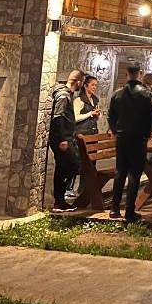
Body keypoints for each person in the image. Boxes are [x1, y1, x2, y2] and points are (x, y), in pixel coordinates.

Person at [108, 64, 152, 224]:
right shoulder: (146, 94)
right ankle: (129, 211)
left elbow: (110, 116)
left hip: (122, 138)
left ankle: (114, 209)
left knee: (120, 172)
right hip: (139, 138)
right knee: (134, 174)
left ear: (126, 74)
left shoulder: (117, 94)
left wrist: (116, 131)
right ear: (139, 74)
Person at [48, 70, 84, 212]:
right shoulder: (64, 96)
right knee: (72, 166)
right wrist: (62, 139)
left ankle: (60, 200)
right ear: (79, 82)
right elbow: (58, 118)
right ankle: (59, 200)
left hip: (67, 137)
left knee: (65, 168)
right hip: (62, 139)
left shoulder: (68, 94)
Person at [64, 74, 101, 202]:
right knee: (78, 162)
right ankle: (68, 189)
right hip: (81, 135)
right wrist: (90, 113)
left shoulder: (95, 100)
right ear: (85, 86)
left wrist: (96, 115)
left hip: (92, 134)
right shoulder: (79, 100)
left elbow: (93, 116)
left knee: (90, 164)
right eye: (92, 85)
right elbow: (75, 117)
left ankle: (84, 189)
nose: (94, 87)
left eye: (96, 85)